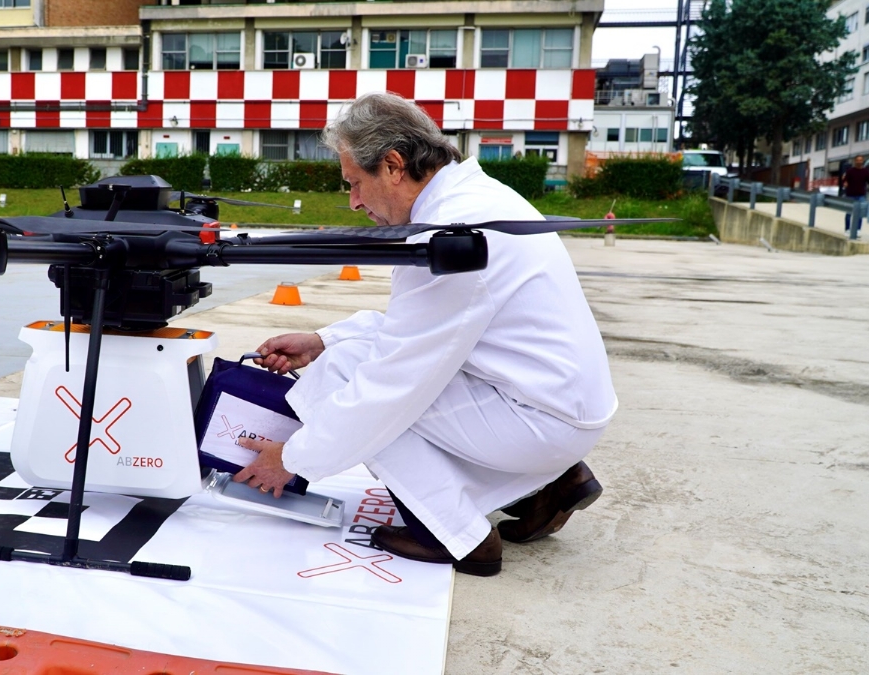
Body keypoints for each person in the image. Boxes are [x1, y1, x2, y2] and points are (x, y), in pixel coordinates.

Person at [233, 92, 617, 577]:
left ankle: (458, 534)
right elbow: (424, 330)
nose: (353, 202)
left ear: (393, 165)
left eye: (354, 183)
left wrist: (291, 458)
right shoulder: (474, 197)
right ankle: (551, 485)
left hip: (540, 417)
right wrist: (324, 337)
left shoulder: (445, 230)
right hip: (558, 403)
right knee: (350, 357)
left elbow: (393, 382)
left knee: (351, 380)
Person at [840, 156, 869, 235]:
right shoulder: (850, 171)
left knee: (860, 213)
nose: (859, 162)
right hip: (850, 195)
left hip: (861, 195)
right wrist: (845, 182)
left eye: (860, 160)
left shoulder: (865, 171)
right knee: (849, 213)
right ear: (855, 161)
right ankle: (847, 229)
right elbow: (844, 180)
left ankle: (858, 230)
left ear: (863, 161)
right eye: (857, 160)